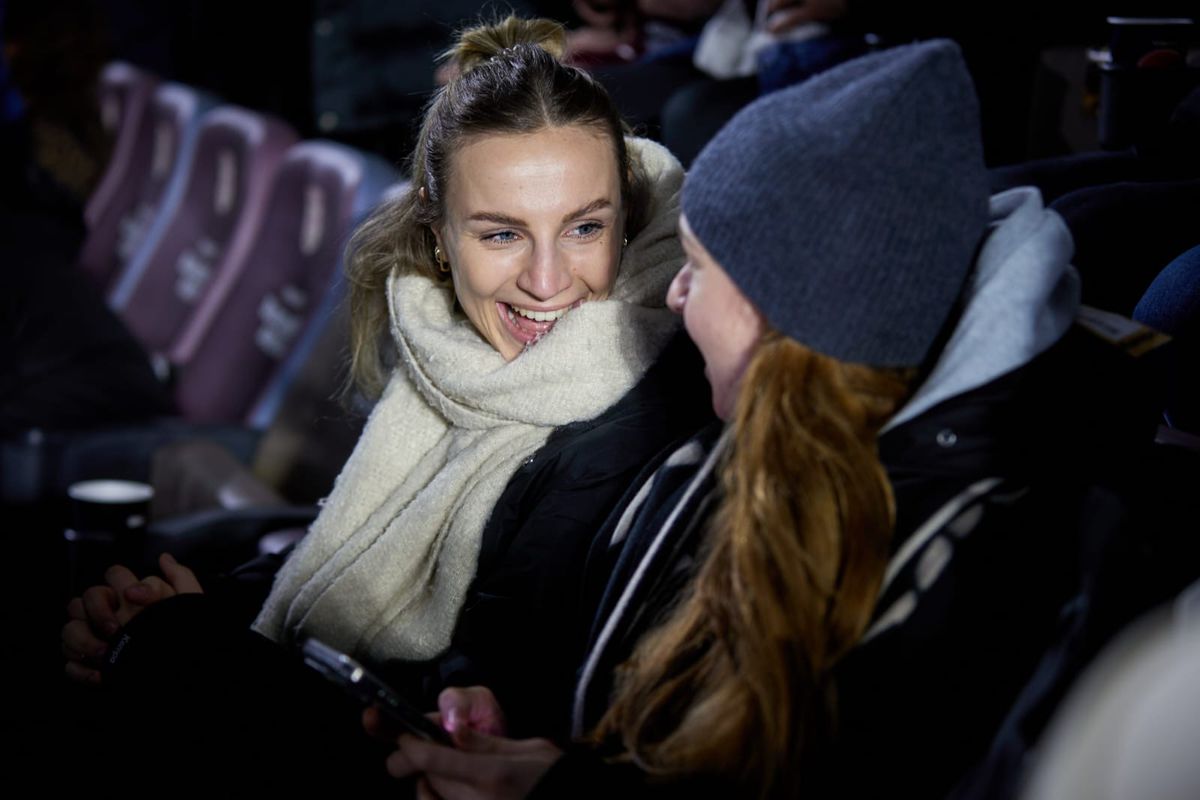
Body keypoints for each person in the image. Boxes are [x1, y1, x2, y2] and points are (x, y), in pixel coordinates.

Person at [376, 39, 1167, 798]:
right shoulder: (728, 436)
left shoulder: (978, 556)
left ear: (776, 316)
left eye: (699, 267)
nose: (673, 297)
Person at [56, 15, 712, 786]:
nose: (546, 281)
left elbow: (440, 734)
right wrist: (198, 611)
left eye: (584, 228)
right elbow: (348, 556)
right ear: (437, 237)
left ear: (627, 222)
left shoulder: (627, 413)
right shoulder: (449, 351)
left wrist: (179, 647)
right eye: (501, 235)